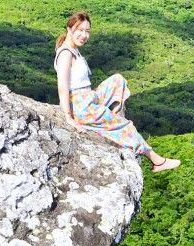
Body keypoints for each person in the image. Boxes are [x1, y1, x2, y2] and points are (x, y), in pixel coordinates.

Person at [54, 10, 180, 173]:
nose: (84, 35)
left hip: (88, 97)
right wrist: (68, 117)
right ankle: (156, 161)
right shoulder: (65, 54)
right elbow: (62, 86)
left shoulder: (73, 50)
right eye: (80, 30)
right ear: (70, 29)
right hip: (81, 107)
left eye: (87, 31)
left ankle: (112, 118)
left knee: (117, 80)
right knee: (126, 126)